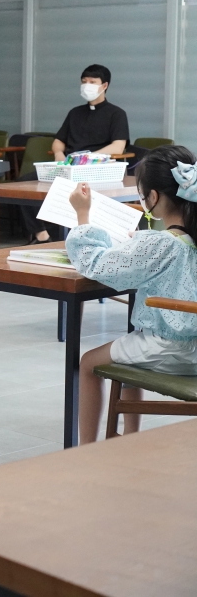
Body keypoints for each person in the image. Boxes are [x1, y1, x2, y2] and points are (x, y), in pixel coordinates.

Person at [66, 145, 197, 444]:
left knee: (89, 363)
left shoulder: (159, 244)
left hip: (170, 349)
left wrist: (83, 215)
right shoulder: (183, 240)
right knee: (129, 346)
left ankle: (87, 448)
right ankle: (129, 437)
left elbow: (96, 264)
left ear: (153, 198)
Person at [22, 64, 130, 244]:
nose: (87, 85)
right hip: (68, 167)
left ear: (104, 85)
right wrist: (58, 153)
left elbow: (118, 147)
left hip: (95, 169)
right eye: (84, 82)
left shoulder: (117, 114)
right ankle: (42, 235)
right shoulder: (75, 113)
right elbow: (58, 141)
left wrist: (89, 158)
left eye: (92, 82)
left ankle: (69, 236)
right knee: (25, 184)